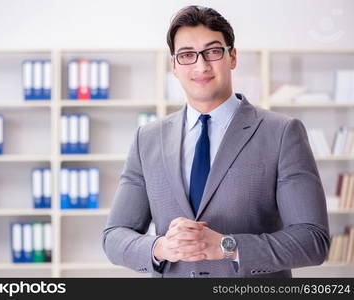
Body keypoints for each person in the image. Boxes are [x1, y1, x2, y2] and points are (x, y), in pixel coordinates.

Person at [102, 5, 329, 278]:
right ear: (174, 65)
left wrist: (227, 246)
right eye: (187, 55)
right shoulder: (147, 139)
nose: (201, 65)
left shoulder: (282, 133)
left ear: (232, 57)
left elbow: (313, 240)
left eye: (212, 51)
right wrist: (161, 247)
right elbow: (114, 237)